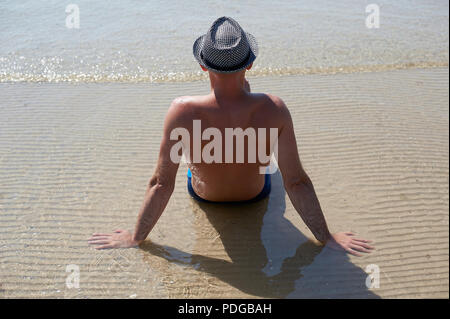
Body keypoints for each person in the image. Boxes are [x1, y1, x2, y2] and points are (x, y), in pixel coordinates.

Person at [88, 17, 374, 256]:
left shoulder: (180, 110)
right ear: (249, 63)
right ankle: (242, 104)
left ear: (202, 65)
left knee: (196, 154)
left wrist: (136, 237)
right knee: (271, 165)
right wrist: (326, 237)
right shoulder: (274, 108)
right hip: (254, 196)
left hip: (205, 197)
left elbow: (161, 184)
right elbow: (296, 182)